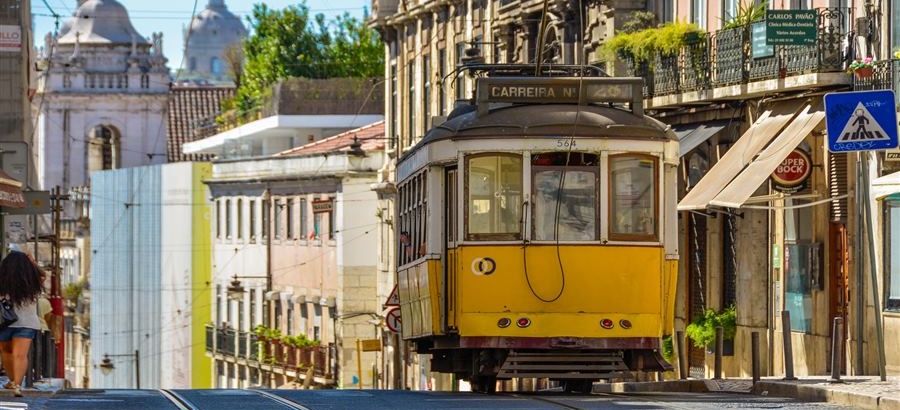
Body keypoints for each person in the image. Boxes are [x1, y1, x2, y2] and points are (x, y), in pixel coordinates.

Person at [0, 251, 44, 397]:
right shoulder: (34, 280)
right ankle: (17, 385)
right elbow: (44, 274)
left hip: (4, 322)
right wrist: (32, 262)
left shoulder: (3, 279)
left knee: (6, 353)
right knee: (20, 355)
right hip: (27, 323)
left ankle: (12, 380)